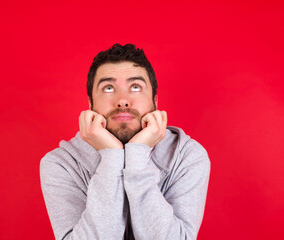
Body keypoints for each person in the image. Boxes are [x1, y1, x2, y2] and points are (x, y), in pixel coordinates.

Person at [40, 43, 211, 240]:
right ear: (90, 104)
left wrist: (137, 155)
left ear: (155, 101)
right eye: (109, 88)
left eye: (135, 87)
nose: (122, 100)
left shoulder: (187, 156)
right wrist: (111, 158)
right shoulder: (61, 164)